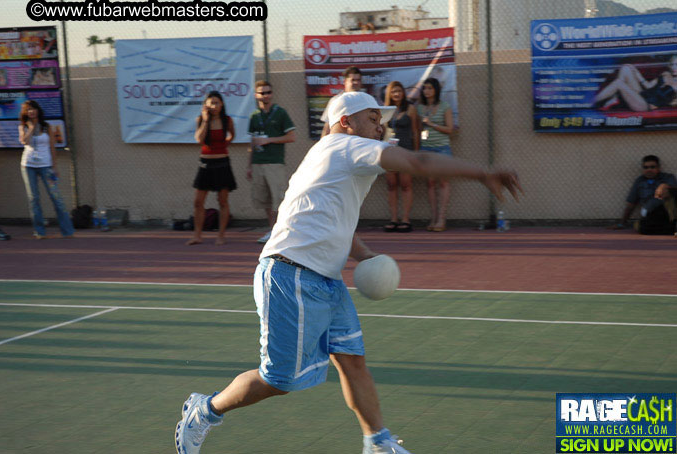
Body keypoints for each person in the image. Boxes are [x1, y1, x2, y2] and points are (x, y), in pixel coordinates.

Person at [174, 92, 522, 454]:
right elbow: (417, 161)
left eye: (381, 119)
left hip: (325, 279)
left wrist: (365, 254)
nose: (380, 125)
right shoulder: (344, 146)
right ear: (346, 122)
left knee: (354, 362)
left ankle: (378, 443)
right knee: (279, 380)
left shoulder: (333, 157)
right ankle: (205, 410)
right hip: (290, 276)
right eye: (373, 118)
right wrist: (483, 173)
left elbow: (328, 216)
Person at [246, 80, 296, 244]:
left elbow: (291, 137)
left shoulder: (280, 113)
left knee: (279, 199)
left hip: (274, 163)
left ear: (272, 94)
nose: (265, 96)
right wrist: (249, 165)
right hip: (258, 163)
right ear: (256, 95)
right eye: (262, 93)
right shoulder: (254, 116)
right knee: (265, 200)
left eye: (268, 92)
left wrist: (269, 140)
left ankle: (284, 231)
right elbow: (252, 143)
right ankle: (272, 230)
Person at [19, 100, 74, 239]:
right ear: (26, 112)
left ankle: (67, 231)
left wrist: (54, 167)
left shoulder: (46, 126)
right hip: (28, 165)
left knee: (56, 197)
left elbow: (52, 147)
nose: (32, 111)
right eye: (29, 109)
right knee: (34, 198)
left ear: (38, 111)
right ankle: (39, 231)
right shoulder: (23, 127)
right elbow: (24, 141)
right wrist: (31, 128)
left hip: (46, 166)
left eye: (34, 109)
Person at [187, 91, 237, 246]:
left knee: (222, 201)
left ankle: (221, 235)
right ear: (205, 106)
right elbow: (199, 140)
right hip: (205, 164)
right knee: (198, 202)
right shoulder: (201, 120)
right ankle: (197, 235)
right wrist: (206, 121)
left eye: (217, 103)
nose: (214, 106)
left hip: (222, 164)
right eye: (211, 103)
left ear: (222, 105)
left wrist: (222, 146)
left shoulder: (227, 120)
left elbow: (232, 136)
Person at [417, 77, 455, 232]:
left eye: (430, 88)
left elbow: (450, 129)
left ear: (436, 90)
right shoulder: (419, 108)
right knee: (430, 184)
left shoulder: (445, 106)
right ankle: (433, 218)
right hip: (426, 149)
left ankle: (441, 218)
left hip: (442, 149)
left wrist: (431, 124)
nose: (427, 91)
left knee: (444, 183)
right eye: (425, 88)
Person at [382, 81, 419, 232]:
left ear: (403, 93)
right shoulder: (385, 110)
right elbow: (382, 132)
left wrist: (416, 153)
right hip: (390, 152)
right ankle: (394, 219)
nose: (396, 94)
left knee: (406, 184)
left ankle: (405, 219)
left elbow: (415, 131)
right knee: (391, 185)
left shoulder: (410, 109)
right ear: (389, 94)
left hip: (406, 152)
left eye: (399, 91)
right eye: (393, 91)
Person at [611, 155, 676, 235]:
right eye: (646, 167)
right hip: (650, 213)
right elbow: (631, 204)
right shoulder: (639, 181)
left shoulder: (668, 177)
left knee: (672, 192)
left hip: (667, 211)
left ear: (658, 168)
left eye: (652, 167)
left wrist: (664, 186)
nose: (649, 170)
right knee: (643, 228)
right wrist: (622, 223)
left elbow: (674, 190)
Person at [592, 55, 677, 111]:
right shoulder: (665, 74)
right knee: (626, 68)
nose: (674, 67)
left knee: (619, 83)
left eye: (676, 64)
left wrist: (664, 103)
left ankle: (590, 103)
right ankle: (615, 98)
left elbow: (672, 103)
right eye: (672, 64)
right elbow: (648, 86)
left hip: (645, 105)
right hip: (643, 94)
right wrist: (637, 74)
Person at [320, 66, 363, 137]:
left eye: (358, 80)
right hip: (341, 140)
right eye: (353, 80)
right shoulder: (336, 100)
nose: (356, 83)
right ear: (345, 82)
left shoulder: (366, 100)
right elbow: (327, 126)